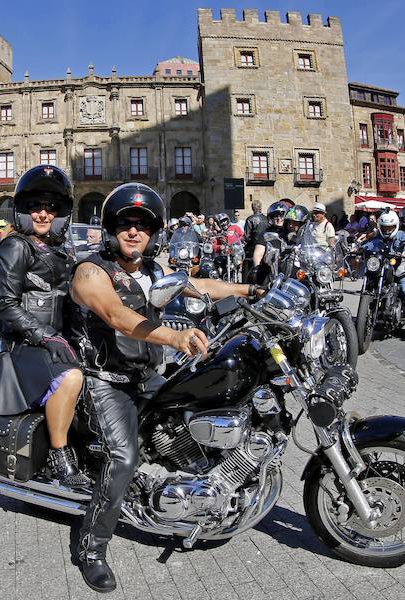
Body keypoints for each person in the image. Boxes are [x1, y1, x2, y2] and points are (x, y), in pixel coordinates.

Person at [69, 183, 264, 592]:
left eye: (142, 224)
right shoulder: (90, 271)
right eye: (126, 223)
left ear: (154, 231)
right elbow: (116, 314)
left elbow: (201, 287)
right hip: (106, 381)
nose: (134, 231)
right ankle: (91, 546)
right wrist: (173, 337)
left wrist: (251, 290)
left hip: (148, 376)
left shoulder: (155, 271)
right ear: (111, 227)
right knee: (123, 457)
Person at [0, 164, 91, 491]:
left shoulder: (63, 250)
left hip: (58, 342)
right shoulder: (17, 246)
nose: (43, 214)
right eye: (35, 207)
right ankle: (59, 455)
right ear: (23, 210)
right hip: (25, 346)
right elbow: (4, 304)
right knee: (71, 377)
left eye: (51, 208)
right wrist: (45, 335)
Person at [363, 211, 405, 340]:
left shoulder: (401, 234)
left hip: (399, 270)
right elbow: (371, 243)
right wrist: (358, 248)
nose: (387, 230)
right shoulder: (379, 235)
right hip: (382, 269)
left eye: (390, 227)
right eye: (385, 227)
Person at [250, 200, 288, 283]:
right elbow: (258, 253)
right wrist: (257, 269)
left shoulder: (289, 233)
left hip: (288, 269)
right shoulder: (265, 234)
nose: (279, 218)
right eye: (275, 216)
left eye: (281, 216)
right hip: (270, 270)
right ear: (271, 217)